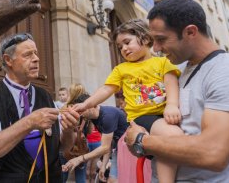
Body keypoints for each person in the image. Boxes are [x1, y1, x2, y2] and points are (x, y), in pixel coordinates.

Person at [125, 0, 229, 181]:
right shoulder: (174, 68)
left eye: (161, 39)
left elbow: (213, 153)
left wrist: (143, 141)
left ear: (190, 32)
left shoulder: (224, 70)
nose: (156, 48)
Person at [73, 19, 183, 182]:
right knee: (173, 135)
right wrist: (86, 104)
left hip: (163, 115)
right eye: (119, 47)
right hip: (142, 117)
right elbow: (106, 89)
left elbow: (171, 83)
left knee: (164, 151)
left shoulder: (163, 62)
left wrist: (172, 105)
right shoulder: (121, 69)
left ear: (145, 38)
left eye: (127, 42)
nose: (123, 49)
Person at [0, 33, 80, 182]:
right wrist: (29, 122)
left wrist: (68, 130)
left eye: (35, 53)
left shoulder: (46, 96)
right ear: (8, 60)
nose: (36, 58)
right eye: (28, 54)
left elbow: (64, 148)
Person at [62, 93, 128, 183]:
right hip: (119, 148)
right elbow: (109, 144)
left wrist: (79, 158)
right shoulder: (93, 118)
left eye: (81, 110)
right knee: (112, 180)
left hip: (130, 149)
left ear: (92, 105)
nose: (79, 114)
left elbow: (104, 147)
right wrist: (103, 165)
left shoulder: (107, 116)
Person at [60, 84, 90, 183]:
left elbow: (60, 128)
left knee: (62, 176)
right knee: (81, 177)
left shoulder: (65, 108)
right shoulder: (87, 109)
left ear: (71, 93)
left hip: (66, 146)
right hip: (82, 146)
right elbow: (89, 131)